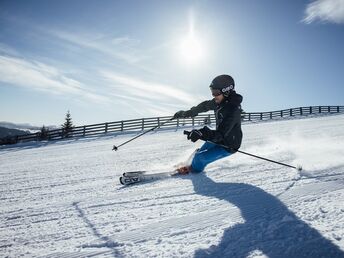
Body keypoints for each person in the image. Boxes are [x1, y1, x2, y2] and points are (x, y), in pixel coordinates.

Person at [173, 74, 243, 174]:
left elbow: (221, 134)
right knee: (199, 152)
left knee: (200, 158)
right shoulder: (219, 101)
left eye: (216, 92)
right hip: (218, 138)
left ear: (227, 91)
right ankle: (189, 163)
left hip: (229, 145)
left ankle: (192, 171)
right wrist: (186, 113)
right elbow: (204, 106)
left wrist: (201, 133)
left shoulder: (233, 110)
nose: (213, 95)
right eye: (212, 92)